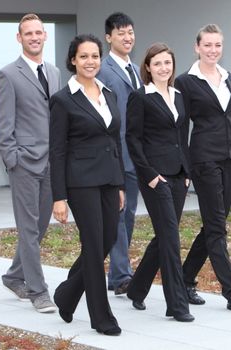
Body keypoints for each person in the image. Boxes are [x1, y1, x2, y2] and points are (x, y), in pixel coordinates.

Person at [175, 24, 231, 313]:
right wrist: (183, 169)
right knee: (217, 227)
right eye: (207, 45)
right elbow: (180, 128)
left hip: (230, 160)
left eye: (217, 45)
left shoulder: (229, 78)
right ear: (197, 47)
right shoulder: (185, 81)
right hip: (204, 160)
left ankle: (184, 279)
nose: (213, 50)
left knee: (213, 225)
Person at [50, 34, 125, 336]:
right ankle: (101, 317)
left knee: (106, 241)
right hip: (80, 183)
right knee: (93, 246)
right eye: (84, 56)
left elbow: (114, 142)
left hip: (108, 180)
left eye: (95, 56)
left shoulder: (109, 94)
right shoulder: (63, 100)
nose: (90, 62)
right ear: (73, 60)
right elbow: (56, 151)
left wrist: (119, 183)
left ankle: (67, 294)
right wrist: (59, 197)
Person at [0, 13, 61, 313]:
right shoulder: (8, 75)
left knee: (40, 225)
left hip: (51, 164)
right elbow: (3, 125)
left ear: (45, 36)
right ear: (19, 38)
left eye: (38, 32)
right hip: (24, 164)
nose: (34, 37)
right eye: (28, 33)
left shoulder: (55, 72)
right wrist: (13, 160)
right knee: (29, 229)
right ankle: (38, 291)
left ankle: (13, 275)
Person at [125, 43, 194, 322]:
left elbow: (183, 137)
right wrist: (150, 175)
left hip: (179, 175)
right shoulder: (140, 97)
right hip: (155, 177)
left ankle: (136, 288)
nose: (163, 68)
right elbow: (132, 139)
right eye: (157, 64)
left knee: (165, 235)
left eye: (167, 63)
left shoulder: (179, 96)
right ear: (148, 68)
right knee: (171, 239)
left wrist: (187, 172)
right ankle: (176, 305)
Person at [97, 12, 141, 295]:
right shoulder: (101, 69)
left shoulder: (137, 69)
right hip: (115, 155)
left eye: (130, 32)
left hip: (137, 155)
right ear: (108, 37)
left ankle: (117, 273)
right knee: (118, 215)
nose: (127, 37)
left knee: (129, 215)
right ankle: (121, 275)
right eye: (121, 33)